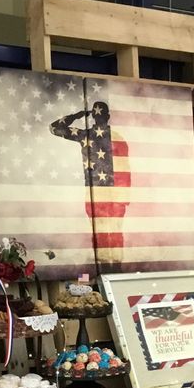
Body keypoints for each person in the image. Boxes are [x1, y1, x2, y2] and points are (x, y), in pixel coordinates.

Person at [50, 101, 130, 267]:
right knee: (113, 230)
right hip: (113, 192)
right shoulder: (118, 138)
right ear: (108, 116)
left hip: (97, 191)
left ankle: (107, 266)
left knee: (101, 231)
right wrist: (124, 197)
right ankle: (115, 266)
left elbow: (55, 128)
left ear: (93, 116)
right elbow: (125, 169)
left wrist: (78, 115)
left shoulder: (85, 135)